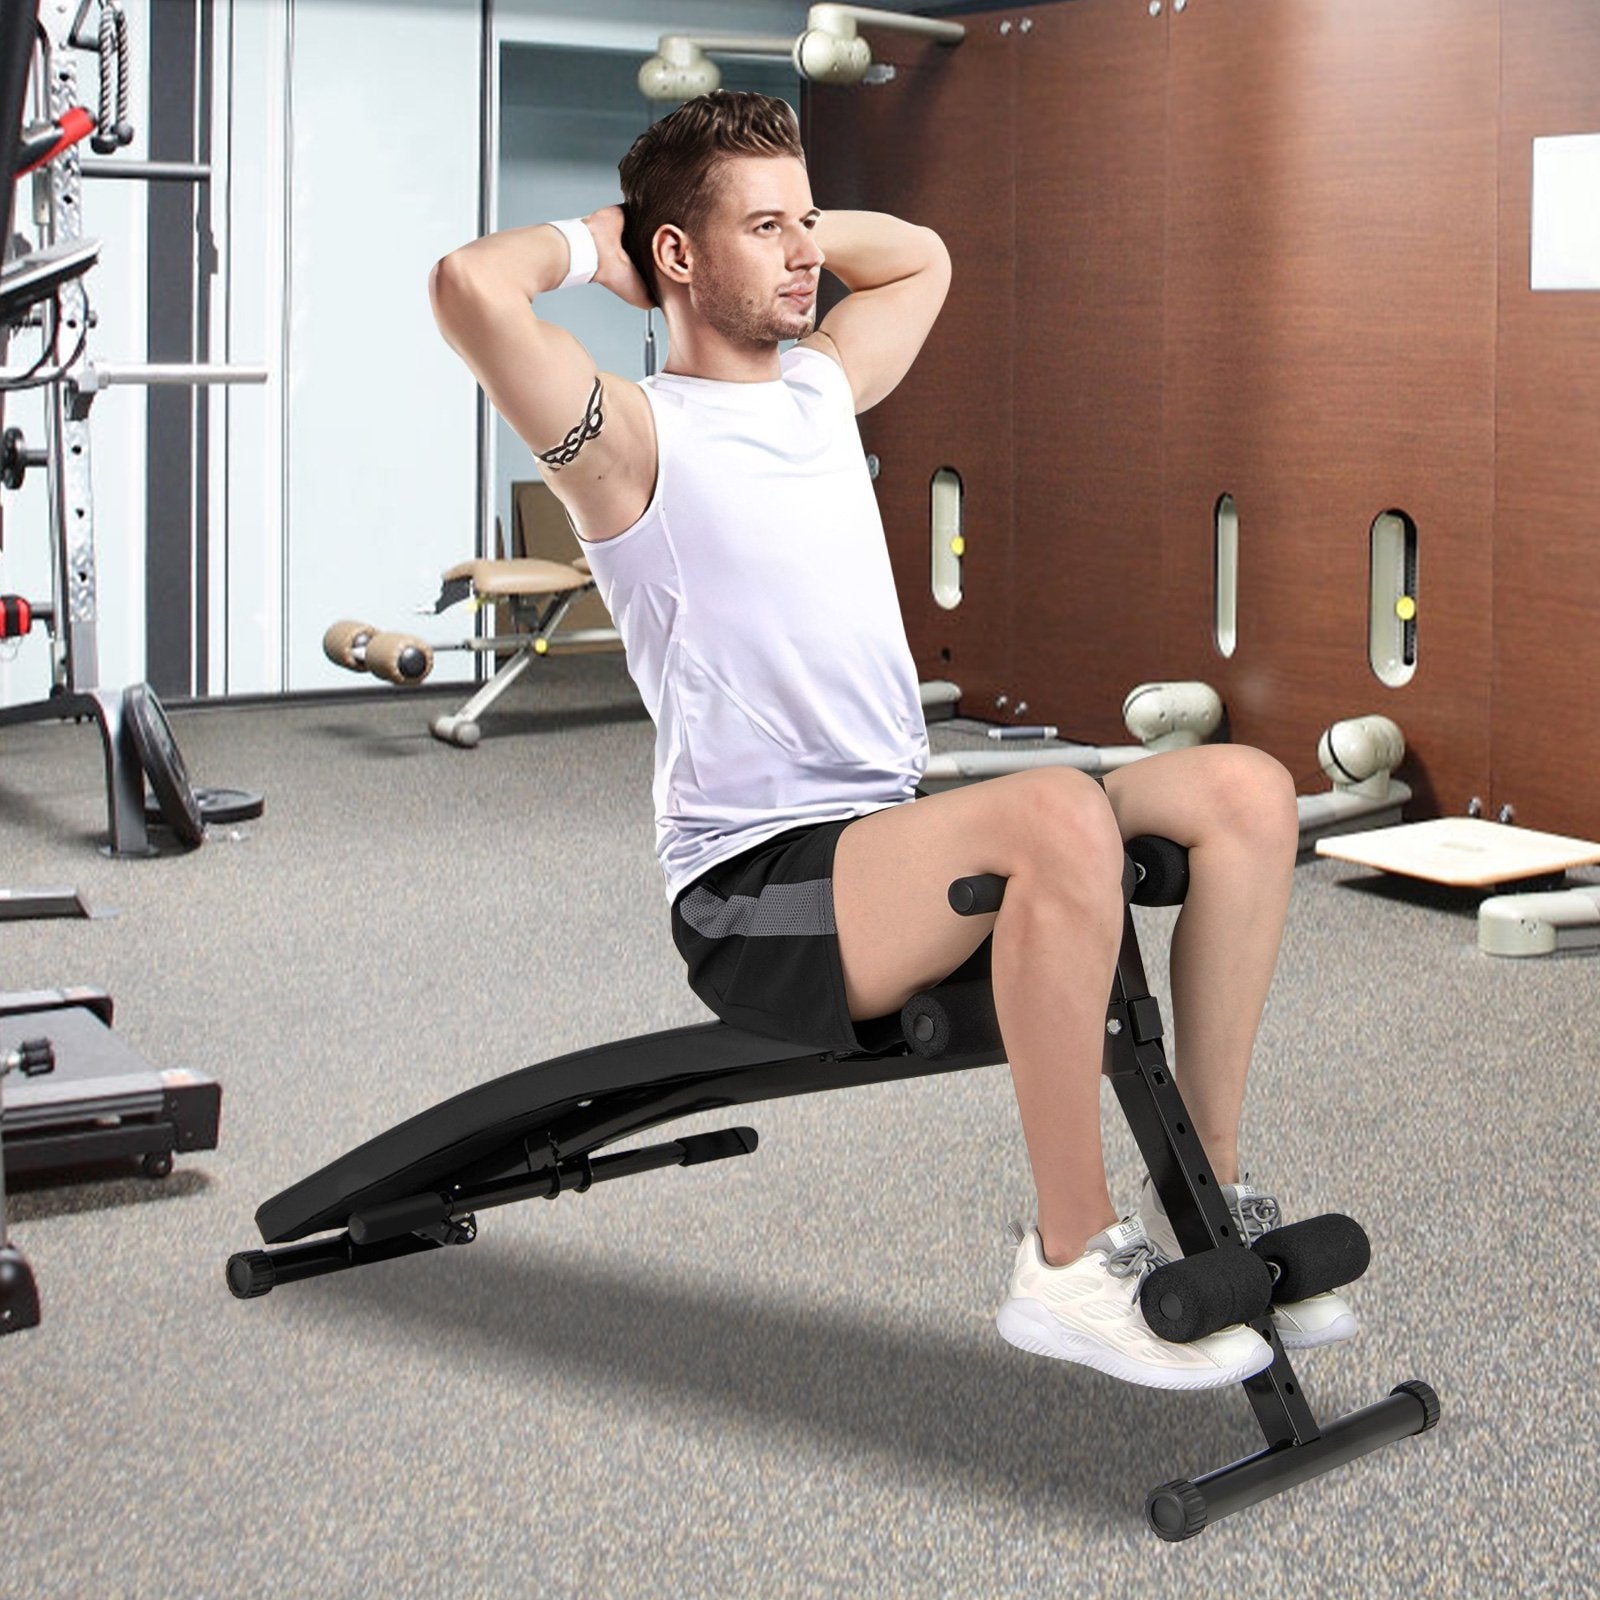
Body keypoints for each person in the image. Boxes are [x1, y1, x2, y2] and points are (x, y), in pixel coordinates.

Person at [429, 90, 1356, 1392]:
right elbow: (470, 287)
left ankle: (1209, 1192)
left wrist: (773, 222)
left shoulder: (820, 386)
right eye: (767, 227)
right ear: (675, 258)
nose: (809, 250)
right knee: (1054, 814)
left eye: (808, 219)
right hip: (760, 895)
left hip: (893, 839)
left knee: (1247, 792)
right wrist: (608, 239)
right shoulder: (628, 439)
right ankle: (1065, 1257)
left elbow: (921, 252)